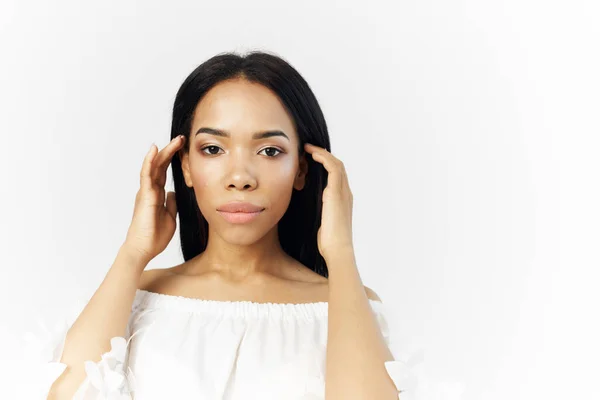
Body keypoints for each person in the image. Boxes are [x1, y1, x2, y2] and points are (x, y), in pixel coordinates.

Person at [24, 51, 409, 399]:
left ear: (302, 170)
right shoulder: (137, 298)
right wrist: (133, 253)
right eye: (213, 149)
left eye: (269, 151)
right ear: (186, 167)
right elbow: (66, 395)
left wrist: (341, 253)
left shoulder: (345, 303)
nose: (239, 176)